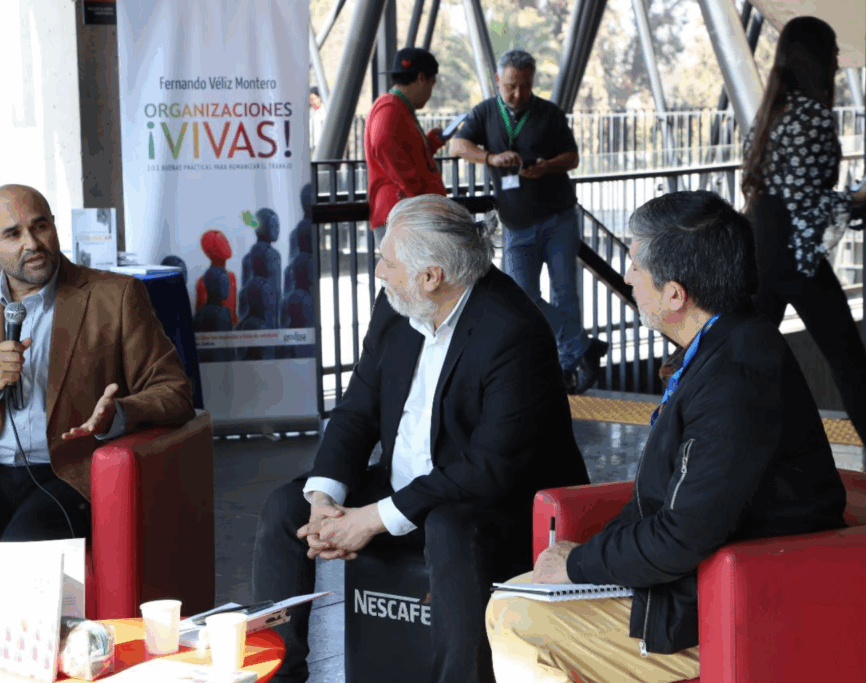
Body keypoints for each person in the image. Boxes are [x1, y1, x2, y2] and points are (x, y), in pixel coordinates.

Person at [486, 191, 847, 683]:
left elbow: (683, 535)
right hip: (698, 583)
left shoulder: (734, 379)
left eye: (634, 264)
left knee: (514, 617)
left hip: (733, 605)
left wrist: (580, 565)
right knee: (517, 597)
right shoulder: (727, 341)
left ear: (676, 295)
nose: (628, 276)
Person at [252, 194, 590, 683]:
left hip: (499, 504)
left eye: (387, 261)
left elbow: (488, 470)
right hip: (413, 487)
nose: (378, 272)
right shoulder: (398, 306)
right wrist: (326, 499)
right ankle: (279, 675)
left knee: (451, 528)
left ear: (432, 276)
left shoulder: (512, 330)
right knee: (287, 508)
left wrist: (372, 519)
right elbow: (358, 408)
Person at [0, 184, 195, 683]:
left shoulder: (114, 296)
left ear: (54, 227)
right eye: (12, 234)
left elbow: (174, 391)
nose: (31, 242)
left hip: (65, 475)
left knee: (22, 553)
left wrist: (117, 414)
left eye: (40, 225)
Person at [449, 48, 607, 395]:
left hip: (558, 218)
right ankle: (582, 345)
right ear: (497, 81)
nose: (518, 93)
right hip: (516, 224)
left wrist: (547, 166)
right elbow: (457, 146)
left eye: (525, 85)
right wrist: (489, 156)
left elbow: (573, 157)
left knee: (566, 295)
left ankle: (569, 367)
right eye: (510, 86)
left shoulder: (548, 113)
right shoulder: (485, 112)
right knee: (523, 295)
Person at [742, 15, 866, 442]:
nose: (836, 60)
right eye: (831, 51)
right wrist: (856, 200)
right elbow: (806, 206)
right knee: (852, 366)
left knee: (743, 360)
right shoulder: (812, 115)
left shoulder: (771, 112)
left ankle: (720, 447)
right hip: (795, 257)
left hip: (762, 248)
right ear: (815, 57)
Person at [365, 47, 447, 245]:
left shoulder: (398, 107)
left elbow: (402, 152)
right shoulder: (390, 107)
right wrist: (419, 196)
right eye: (431, 84)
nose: (430, 92)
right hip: (403, 214)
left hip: (406, 214)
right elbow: (384, 146)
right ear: (421, 78)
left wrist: (430, 143)